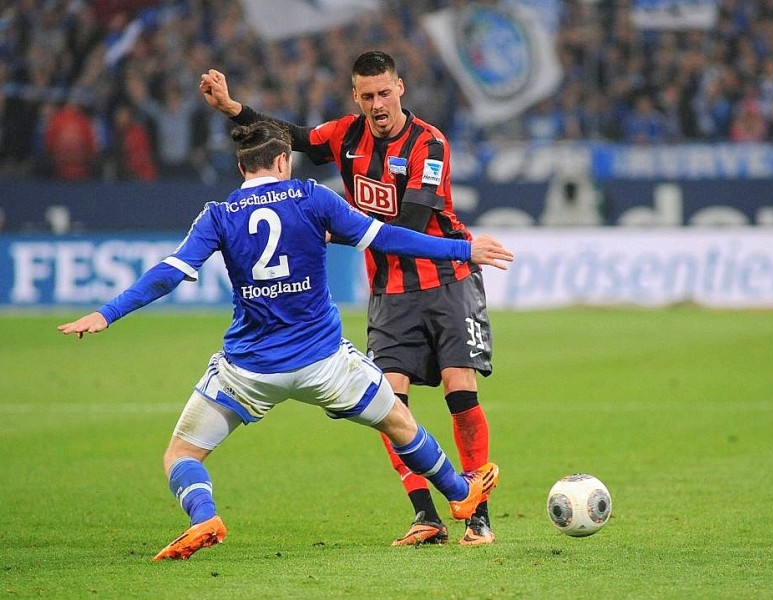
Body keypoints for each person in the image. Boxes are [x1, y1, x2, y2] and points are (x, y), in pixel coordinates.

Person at [58, 120, 512, 561]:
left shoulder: (218, 215)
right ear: (282, 160)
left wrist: (106, 312)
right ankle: (459, 494)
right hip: (325, 364)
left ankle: (205, 518)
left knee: (182, 454)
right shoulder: (311, 198)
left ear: (241, 168)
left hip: (249, 370)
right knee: (398, 420)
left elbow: (169, 274)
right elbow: (388, 237)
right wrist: (463, 248)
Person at [200, 50, 501, 546]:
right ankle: (426, 516)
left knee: (460, 390)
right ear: (355, 97)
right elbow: (290, 138)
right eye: (367, 96)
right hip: (389, 291)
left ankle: (479, 516)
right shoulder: (345, 134)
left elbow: (412, 221)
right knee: (389, 403)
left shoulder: (430, 143)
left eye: (385, 92)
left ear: (401, 88)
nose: (377, 104)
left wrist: (324, 229)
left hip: (447, 278)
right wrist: (235, 109)